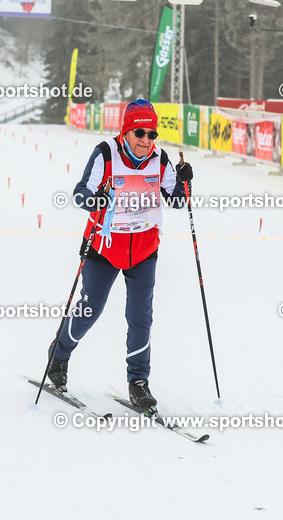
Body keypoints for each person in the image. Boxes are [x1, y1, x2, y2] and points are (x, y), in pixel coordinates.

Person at [47, 99, 192, 411]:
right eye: (139, 132)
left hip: (143, 249)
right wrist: (97, 199)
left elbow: (178, 202)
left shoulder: (160, 159)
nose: (146, 139)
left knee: (141, 317)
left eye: (152, 134)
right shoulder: (105, 153)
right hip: (104, 246)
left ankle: (138, 382)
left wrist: (183, 182)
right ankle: (59, 354)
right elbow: (80, 192)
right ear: (126, 131)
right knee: (90, 311)